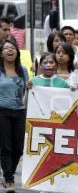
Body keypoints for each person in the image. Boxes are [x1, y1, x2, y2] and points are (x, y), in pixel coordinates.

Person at [0, 39, 28, 192]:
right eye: (6, 48)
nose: (10, 50)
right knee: (6, 146)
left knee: (18, 148)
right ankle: (9, 179)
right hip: (2, 111)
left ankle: (8, 173)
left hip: (19, 111)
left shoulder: (22, 70)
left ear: (17, 51)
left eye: (12, 48)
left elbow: (27, 89)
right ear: (1, 53)